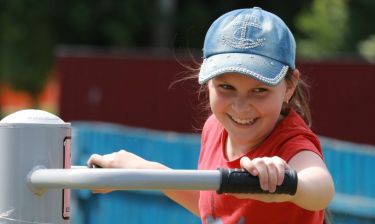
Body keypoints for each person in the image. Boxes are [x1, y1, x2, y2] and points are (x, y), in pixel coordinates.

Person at [87, 7, 335, 224]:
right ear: (208, 83)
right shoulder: (214, 128)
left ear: (289, 87)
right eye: (226, 87)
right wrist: (143, 170)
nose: (240, 106)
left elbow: (320, 189)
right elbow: (213, 208)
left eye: (260, 90)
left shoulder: (292, 144)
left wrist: (286, 182)